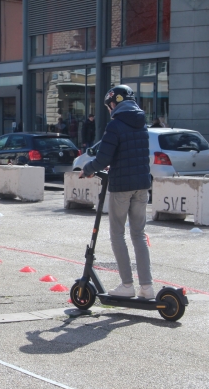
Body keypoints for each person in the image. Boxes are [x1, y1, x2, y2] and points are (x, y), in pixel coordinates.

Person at [79, 85, 154, 299]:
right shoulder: (142, 124)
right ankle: (147, 287)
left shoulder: (115, 125)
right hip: (142, 184)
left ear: (114, 103)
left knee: (117, 234)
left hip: (122, 187)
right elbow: (132, 154)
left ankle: (127, 284)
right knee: (138, 235)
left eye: (109, 105)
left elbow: (103, 159)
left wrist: (87, 170)